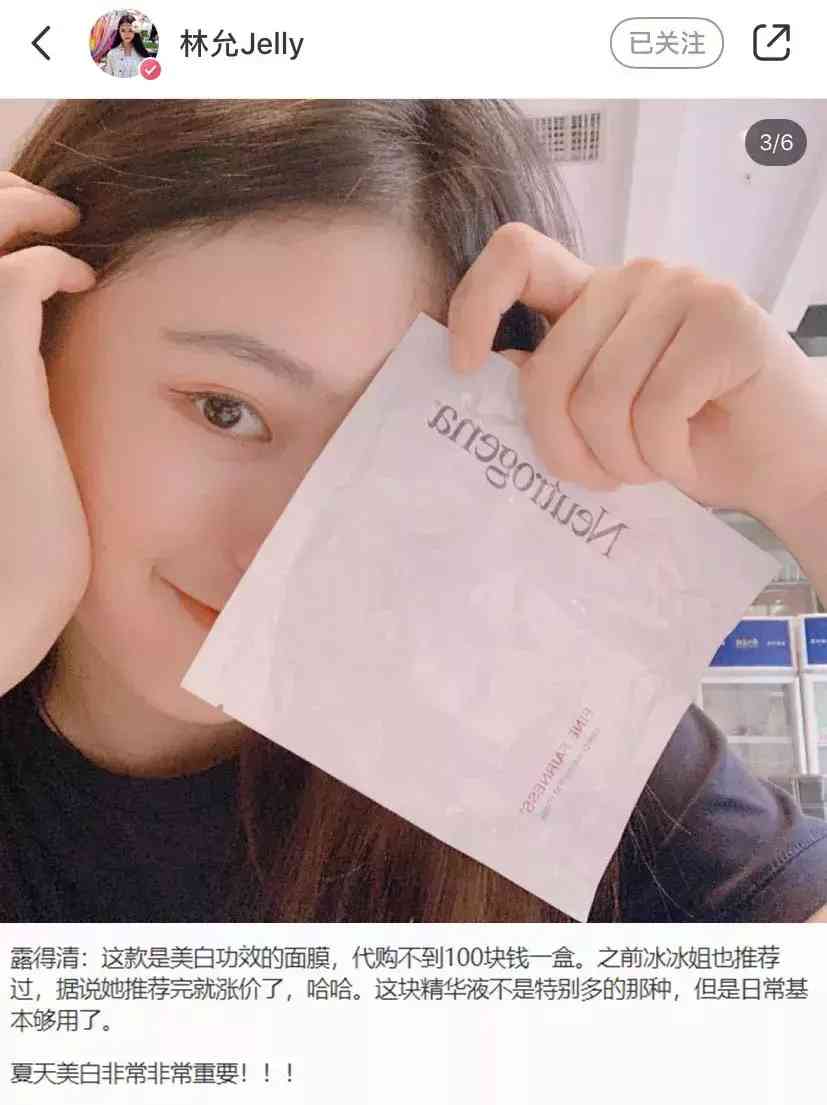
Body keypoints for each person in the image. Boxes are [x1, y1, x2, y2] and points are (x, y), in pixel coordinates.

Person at [0, 99, 825, 924]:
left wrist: (807, 474)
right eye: (225, 410)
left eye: (385, 451)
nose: (278, 552)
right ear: (34, 344)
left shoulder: (543, 736)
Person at [99, 13, 150, 78]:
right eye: (123, 30)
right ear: (119, 32)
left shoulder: (142, 54)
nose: (127, 34)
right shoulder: (112, 53)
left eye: (130, 30)